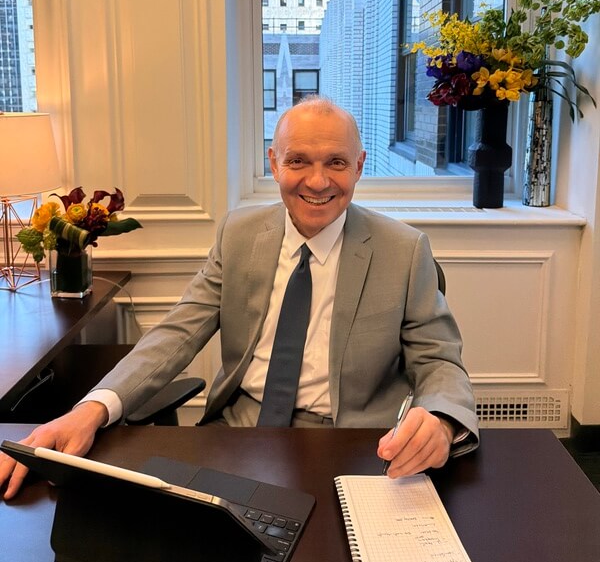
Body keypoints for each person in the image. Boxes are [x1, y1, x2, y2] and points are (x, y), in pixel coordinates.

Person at [0, 97, 478, 499]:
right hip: (239, 434)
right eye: (298, 162)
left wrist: (439, 420)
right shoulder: (240, 233)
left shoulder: (403, 250)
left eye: (335, 162)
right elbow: (177, 332)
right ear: (273, 163)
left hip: (354, 444)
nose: (317, 181)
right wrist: (91, 408)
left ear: (359, 166)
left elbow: (439, 361)